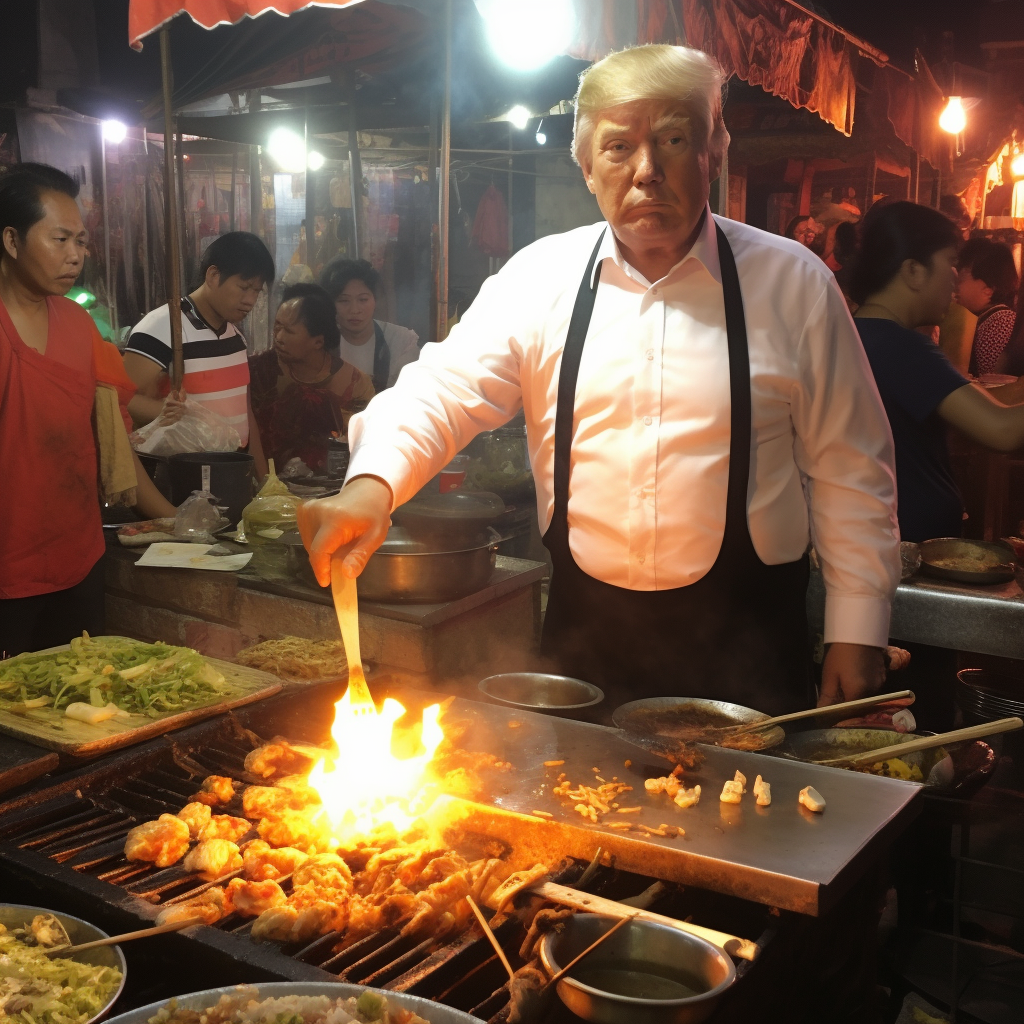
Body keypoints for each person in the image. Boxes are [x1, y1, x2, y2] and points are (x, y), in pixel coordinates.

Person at [300, 44, 901, 722]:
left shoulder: (793, 285)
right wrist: (370, 486)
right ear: (586, 165)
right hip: (584, 656)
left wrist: (858, 628)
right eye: (619, 147)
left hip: (751, 655)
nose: (648, 171)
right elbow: (440, 389)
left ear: (715, 148)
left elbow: (850, 469)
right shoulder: (539, 280)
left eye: (675, 139)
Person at [0, 163, 175, 656]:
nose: (76, 255)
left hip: (78, 563)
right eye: (60, 240)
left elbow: (113, 442)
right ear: (12, 241)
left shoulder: (78, 325)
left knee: (79, 710)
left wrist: (178, 523)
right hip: (7, 576)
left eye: (80, 241)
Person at [853, 202, 1024, 544]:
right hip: (910, 547)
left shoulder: (859, 333)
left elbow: (979, 402)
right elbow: (1002, 430)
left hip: (877, 535)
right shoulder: (902, 347)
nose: (956, 279)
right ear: (913, 270)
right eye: (950, 262)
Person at [123, 231, 274, 476]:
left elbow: (245, 414)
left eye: (257, 291)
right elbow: (118, 398)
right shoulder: (164, 327)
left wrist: (262, 478)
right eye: (244, 287)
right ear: (213, 276)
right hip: (178, 477)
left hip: (233, 474)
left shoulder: (236, 337)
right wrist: (161, 412)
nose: (250, 300)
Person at [249, 283, 374, 472]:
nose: (279, 337)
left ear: (318, 341)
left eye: (289, 331)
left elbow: (367, 444)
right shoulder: (258, 372)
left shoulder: (356, 383)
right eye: (277, 327)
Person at [319, 257, 419, 390]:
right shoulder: (319, 343)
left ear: (375, 300)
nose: (354, 310)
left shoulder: (401, 341)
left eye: (363, 299)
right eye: (344, 301)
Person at [955, 236, 1018, 376]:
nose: (954, 285)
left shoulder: (999, 322)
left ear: (988, 288)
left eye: (961, 277)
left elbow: (993, 382)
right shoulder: (983, 318)